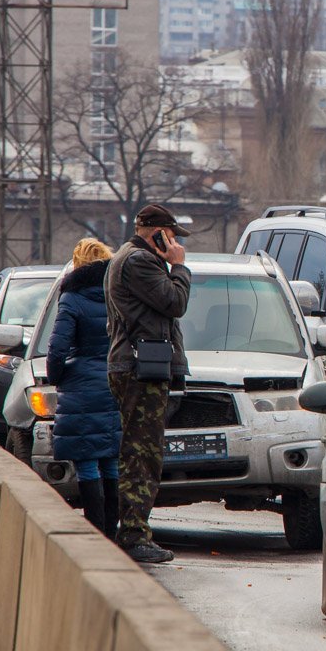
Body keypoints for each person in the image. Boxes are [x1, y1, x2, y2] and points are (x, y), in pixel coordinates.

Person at [105, 204, 192, 564]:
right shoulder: (139, 262)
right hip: (139, 367)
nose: (174, 242)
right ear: (156, 232)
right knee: (142, 453)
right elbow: (175, 302)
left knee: (142, 450)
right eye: (170, 235)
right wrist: (179, 266)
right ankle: (134, 535)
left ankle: (133, 530)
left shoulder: (134, 259)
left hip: (141, 365)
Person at [48, 238, 120, 538]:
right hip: (116, 383)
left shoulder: (72, 298)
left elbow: (57, 348)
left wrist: (58, 377)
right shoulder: (120, 293)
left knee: (88, 462)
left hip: (80, 387)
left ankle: (97, 533)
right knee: (112, 461)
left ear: (77, 263)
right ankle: (113, 532)